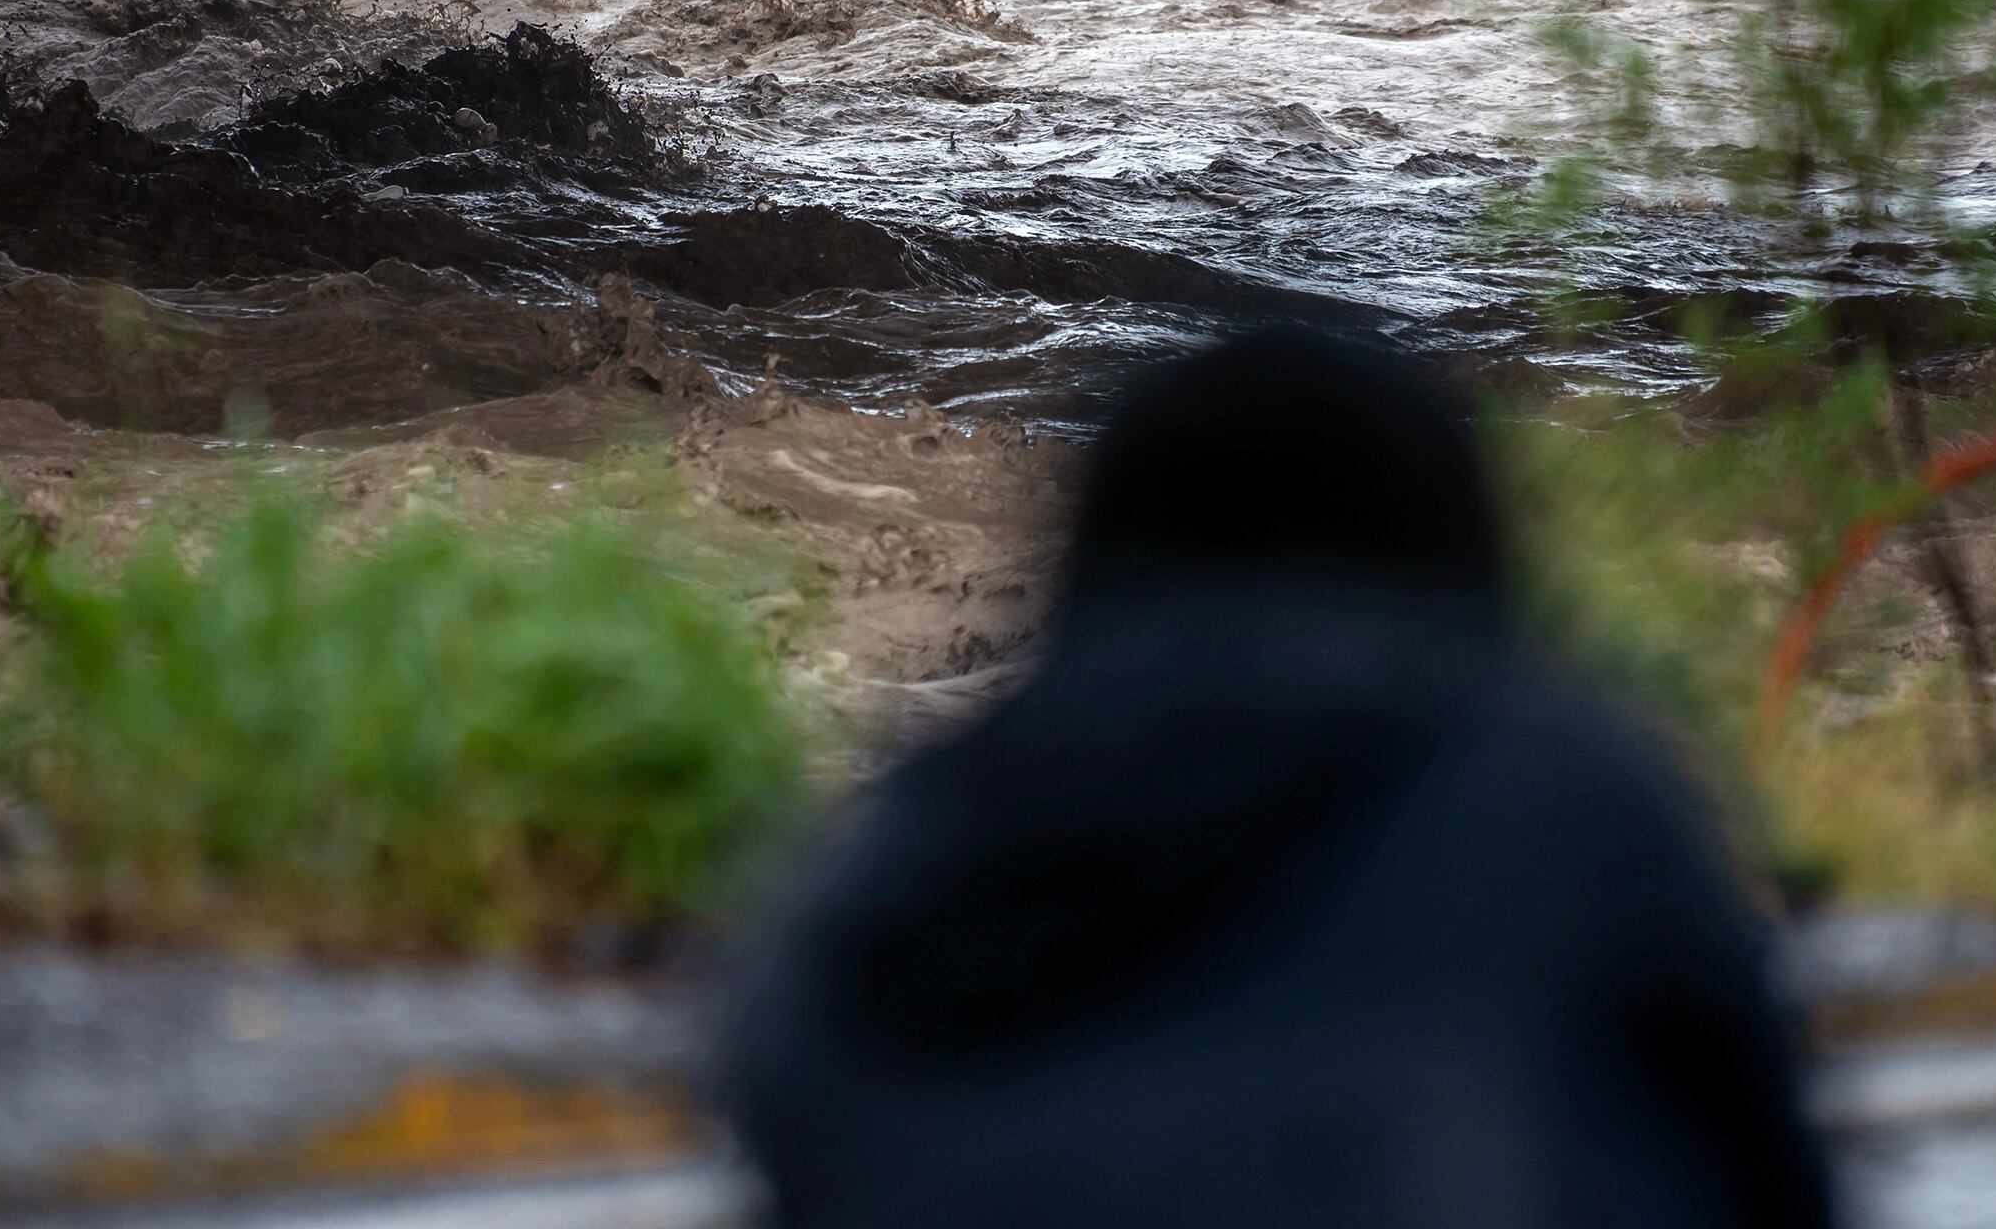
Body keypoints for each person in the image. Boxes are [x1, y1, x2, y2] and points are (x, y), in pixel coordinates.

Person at [721, 327, 1838, 1229]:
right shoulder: (1559, 784)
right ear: (1457, 544)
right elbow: (1772, 1167)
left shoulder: (898, 835)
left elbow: (789, 1111)